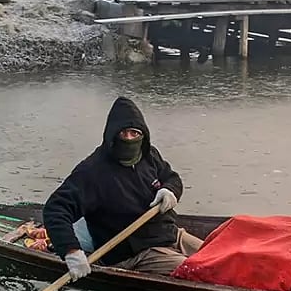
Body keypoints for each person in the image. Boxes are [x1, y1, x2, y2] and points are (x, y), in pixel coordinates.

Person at [42, 96, 203, 280]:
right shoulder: (93, 171)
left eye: (134, 133)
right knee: (198, 272)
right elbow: (55, 209)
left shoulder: (149, 154)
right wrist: (71, 251)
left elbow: (171, 177)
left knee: (217, 256)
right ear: (111, 135)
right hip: (133, 253)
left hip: (169, 234)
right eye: (123, 133)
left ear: (142, 135)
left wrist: (170, 190)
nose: (128, 139)